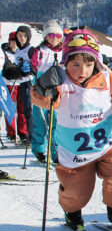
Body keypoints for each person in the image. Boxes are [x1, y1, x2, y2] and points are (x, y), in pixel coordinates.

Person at [31, 29, 112, 231]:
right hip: (75, 151)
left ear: (96, 63)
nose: (82, 71)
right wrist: (44, 87)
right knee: (77, 191)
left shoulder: (106, 78)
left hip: (107, 144)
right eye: (76, 65)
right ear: (66, 62)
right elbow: (42, 100)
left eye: (89, 65)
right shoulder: (61, 82)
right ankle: (72, 213)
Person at [30, 20, 63, 163]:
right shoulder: (40, 50)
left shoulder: (63, 51)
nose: (54, 38)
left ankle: (56, 151)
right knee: (40, 119)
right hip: (41, 85)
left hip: (57, 87)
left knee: (56, 120)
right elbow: (33, 66)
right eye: (51, 35)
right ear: (45, 36)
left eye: (57, 35)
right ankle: (39, 149)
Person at [12, 25, 36, 145]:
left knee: (29, 110)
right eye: (20, 35)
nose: (22, 38)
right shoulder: (18, 51)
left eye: (24, 36)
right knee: (24, 110)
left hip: (30, 82)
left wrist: (30, 68)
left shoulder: (31, 49)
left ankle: (33, 138)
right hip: (21, 82)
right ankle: (27, 135)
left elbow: (37, 66)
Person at [2, 32, 26, 143]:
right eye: (12, 41)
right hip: (9, 83)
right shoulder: (5, 53)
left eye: (16, 41)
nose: (14, 43)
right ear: (9, 41)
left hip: (21, 83)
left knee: (22, 109)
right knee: (10, 108)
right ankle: (12, 133)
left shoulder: (22, 52)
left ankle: (23, 132)